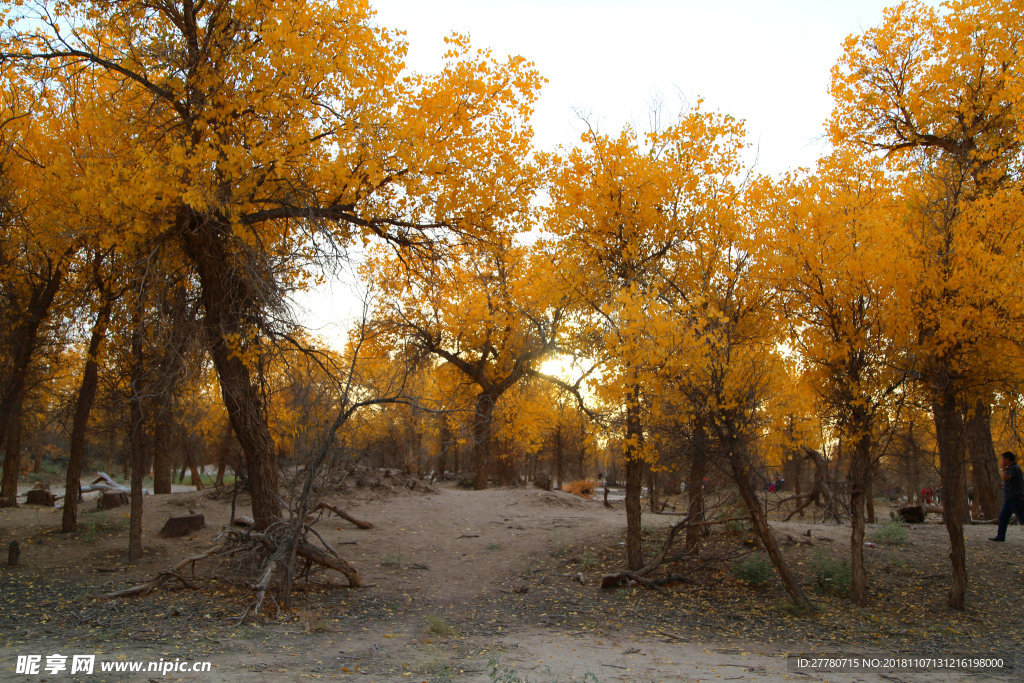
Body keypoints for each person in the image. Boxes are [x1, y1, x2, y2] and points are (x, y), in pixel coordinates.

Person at [990, 451, 1024, 542]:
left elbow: (1005, 477)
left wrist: (1002, 469)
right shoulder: (1010, 468)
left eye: (1004, 459)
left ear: (1008, 459)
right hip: (1009, 498)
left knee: (1022, 518)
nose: (1003, 461)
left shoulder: (1014, 468)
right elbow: (1010, 482)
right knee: (1003, 517)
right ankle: (1000, 536)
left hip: (1016, 498)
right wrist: (1003, 486)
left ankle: (1000, 536)